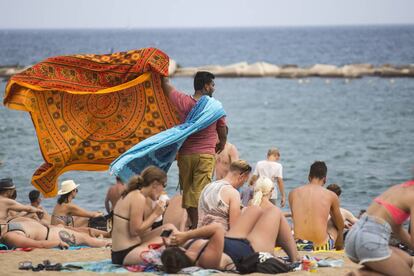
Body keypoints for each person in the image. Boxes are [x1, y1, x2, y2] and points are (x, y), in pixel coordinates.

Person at [161, 71, 227, 228]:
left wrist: (161, 70)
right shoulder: (215, 106)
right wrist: (223, 143)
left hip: (185, 155)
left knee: (189, 191)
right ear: (205, 86)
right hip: (204, 155)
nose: (214, 88)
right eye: (212, 85)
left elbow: (166, 86)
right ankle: (199, 226)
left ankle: (194, 225)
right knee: (201, 192)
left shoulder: (183, 101)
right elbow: (222, 128)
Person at [161, 205, 300, 273]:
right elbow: (217, 229)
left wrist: (167, 238)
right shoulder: (205, 260)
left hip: (233, 239)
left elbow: (166, 227)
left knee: (254, 209)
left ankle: (288, 248)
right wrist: (186, 235)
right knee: (274, 212)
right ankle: (295, 259)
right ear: (179, 250)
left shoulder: (185, 249)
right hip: (251, 249)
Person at [111, 166, 182, 265]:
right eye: (164, 185)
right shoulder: (138, 197)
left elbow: (140, 233)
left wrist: (153, 211)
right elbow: (135, 231)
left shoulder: (135, 194)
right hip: (125, 253)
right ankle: (190, 248)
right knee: (170, 249)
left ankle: (186, 242)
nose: (163, 190)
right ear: (155, 184)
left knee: (169, 228)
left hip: (127, 248)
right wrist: (155, 214)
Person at [345, 179, 414, 275]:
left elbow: (397, 229)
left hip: (352, 236)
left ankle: (359, 274)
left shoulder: (398, 189)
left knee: (407, 261)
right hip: (371, 240)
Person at [289, 161, 344, 250]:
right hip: (320, 247)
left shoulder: (293, 193)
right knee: (334, 224)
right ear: (325, 179)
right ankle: (339, 248)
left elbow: (295, 217)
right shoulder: (331, 195)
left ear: (309, 177)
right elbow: (340, 225)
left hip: (298, 246)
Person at [197, 160, 252, 230]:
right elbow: (234, 228)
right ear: (241, 176)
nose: (243, 184)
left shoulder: (207, 186)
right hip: (219, 238)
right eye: (245, 181)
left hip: (200, 235)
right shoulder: (233, 193)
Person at [0, 217, 109, 249]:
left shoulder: (10, 235)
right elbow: (38, 244)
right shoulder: (10, 224)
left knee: (86, 239)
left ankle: (104, 241)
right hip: (51, 231)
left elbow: (38, 244)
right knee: (86, 239)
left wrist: (57, 242)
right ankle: (103, 241)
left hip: (53, 233)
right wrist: (57, 243)